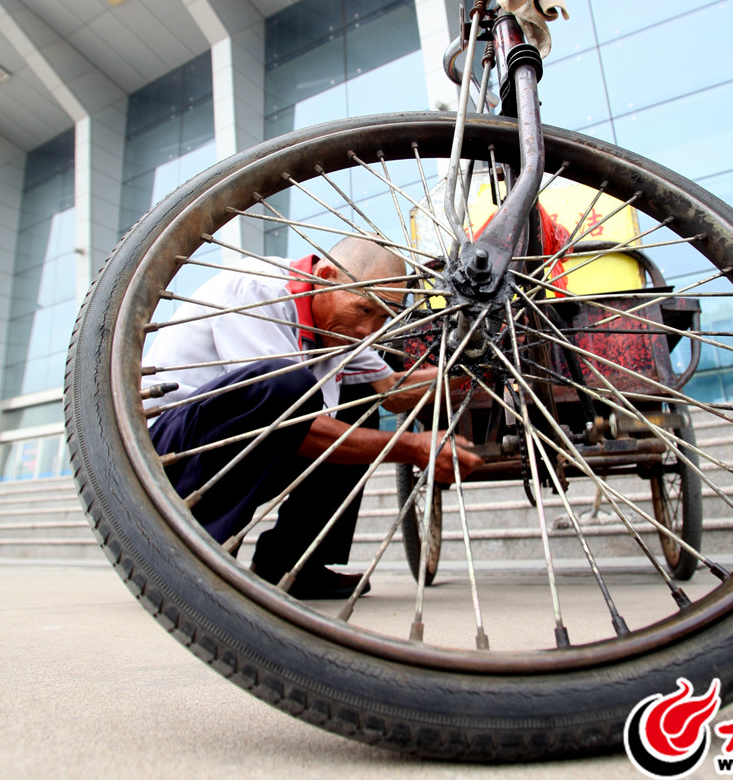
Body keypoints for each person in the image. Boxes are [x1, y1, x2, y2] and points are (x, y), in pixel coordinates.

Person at [142, 236, 483, 600]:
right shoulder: (257, 290)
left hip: (249, 436)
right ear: (325, 276)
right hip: (174, 450)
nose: (369, 331)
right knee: (290, 387)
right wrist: (413, 446)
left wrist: (469, 365)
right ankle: (194, 554)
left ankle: (292, 566)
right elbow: (281, 418)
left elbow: (393, 389)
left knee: (359, 398)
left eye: (384, 316)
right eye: (365, 310)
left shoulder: (340, 327)